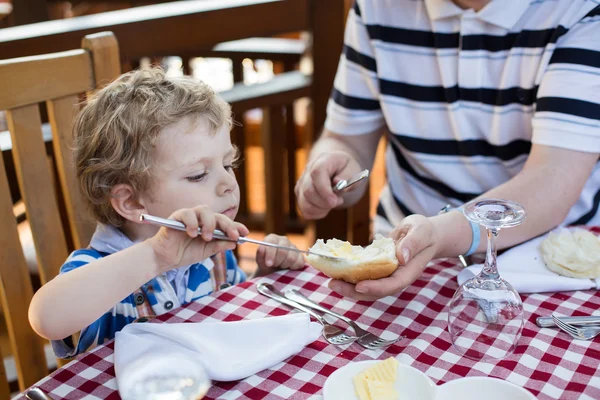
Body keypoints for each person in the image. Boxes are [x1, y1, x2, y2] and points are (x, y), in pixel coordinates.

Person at [295, 0, 600, 300]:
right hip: (403, 255)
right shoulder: (376, 7)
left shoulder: (582, 12)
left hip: (550, 268)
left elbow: (552, 178)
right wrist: (332, 171)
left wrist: (438, 235)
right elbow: (347, 138)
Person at [28, 68, 305, 358]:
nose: (228, 184)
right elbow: (46, 318)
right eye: (198, 175)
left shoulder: (213, 251)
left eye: (228, 164)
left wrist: (264, 276)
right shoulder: (97, 267)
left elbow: (231, 317)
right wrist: (157, 256)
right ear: (132, 203)